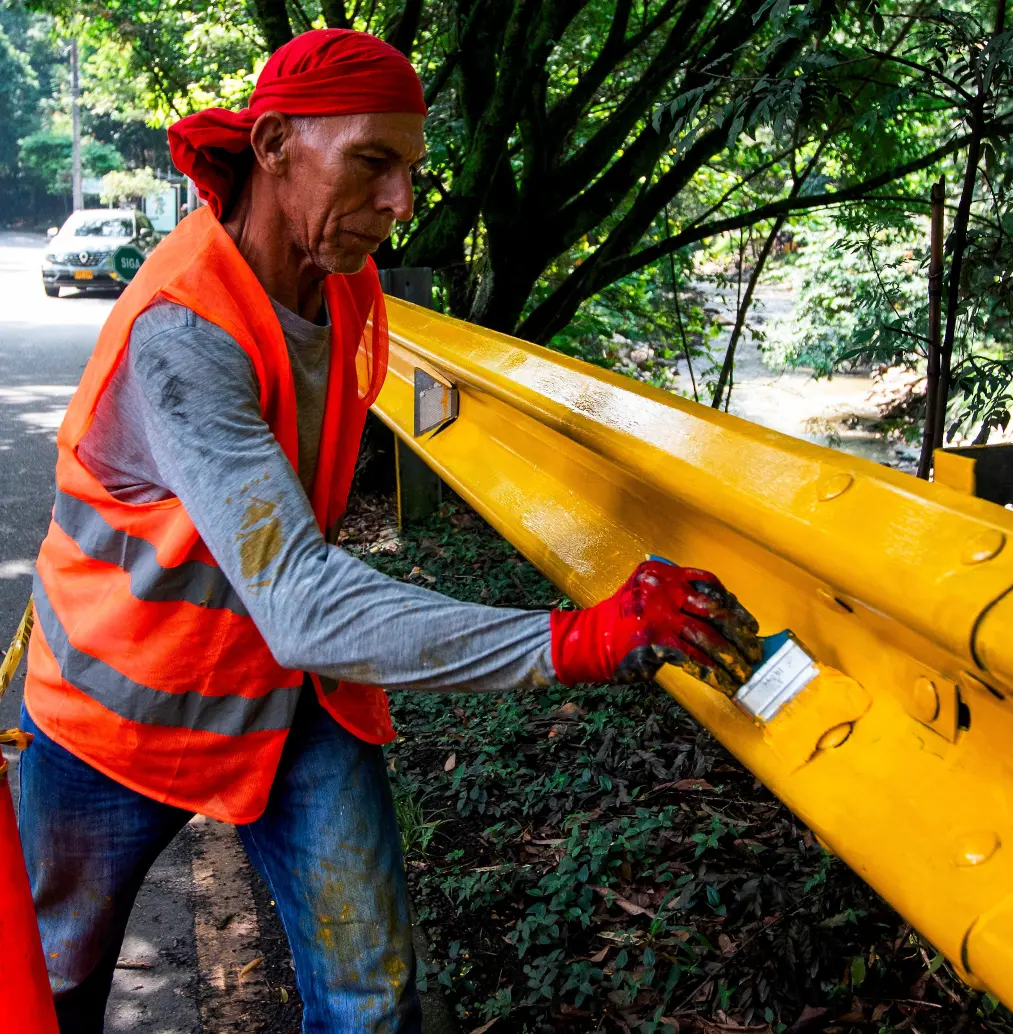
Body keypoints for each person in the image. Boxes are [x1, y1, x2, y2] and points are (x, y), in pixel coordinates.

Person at [17, 28, 762, 1034]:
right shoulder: (183, 329)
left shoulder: (342, 277)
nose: (403, 202)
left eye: (410, 169)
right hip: (119, 703)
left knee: (376, 1003)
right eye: (374, 161)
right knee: (45, 992)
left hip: (289, 691)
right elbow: (306, 598)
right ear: (275, 143)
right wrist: (576, 635)